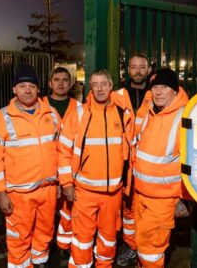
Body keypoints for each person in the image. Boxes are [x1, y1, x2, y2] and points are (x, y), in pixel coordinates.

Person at [0, 64, 61, 268]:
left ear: (38, 89)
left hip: (48, 189)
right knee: (19, 237)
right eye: (22, 86)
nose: (27, 90)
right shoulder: (1, 117)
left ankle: (39, 262)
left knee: (45, 232)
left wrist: (61, 182)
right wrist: (1, 192)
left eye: (31, 85)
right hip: (18, 194)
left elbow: (61, 150)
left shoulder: (51, 113)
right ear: (14, 89)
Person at [58, 69, 134, 268]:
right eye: (94, 85)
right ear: (90, 87)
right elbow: (63, 151)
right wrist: (67, 184)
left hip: (113, 193)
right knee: (82, 239)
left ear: (111, 86)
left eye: (103, 84)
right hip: (84, 192)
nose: (99, 89)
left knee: (109, 239)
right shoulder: (79, 114)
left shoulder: (122, 112)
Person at [132, 68, 189, 267]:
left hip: (163, 199)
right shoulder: (150, 112)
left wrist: (183, 198)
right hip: (140, 194)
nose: (158, 92)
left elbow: (192, 162)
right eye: (154, 87)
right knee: (141, 243)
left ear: (175, 90)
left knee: (150, 249)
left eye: (163, 87)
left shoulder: (186, 117)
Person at [43, 67, 82, 253]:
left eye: (65, 80)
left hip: (70, 169)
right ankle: (46, 249)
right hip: (46, 169)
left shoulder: (79, 107)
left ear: (71, 83)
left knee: (69, 212)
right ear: (50, 83)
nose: (60, 83)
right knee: (46, 214)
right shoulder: (39, 105)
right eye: (56, 79)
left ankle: (65, 248)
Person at [118, 52, 151, 266]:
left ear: (148, 69)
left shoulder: (158, 92)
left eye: (142, 67)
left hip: (149, 164)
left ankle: (146, 251)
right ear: (127, 70)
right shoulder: (118, 95)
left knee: (147, 212)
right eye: (133, 67)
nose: (137, 71)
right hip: (125, 163)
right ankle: (131, 246)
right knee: (128, 210)